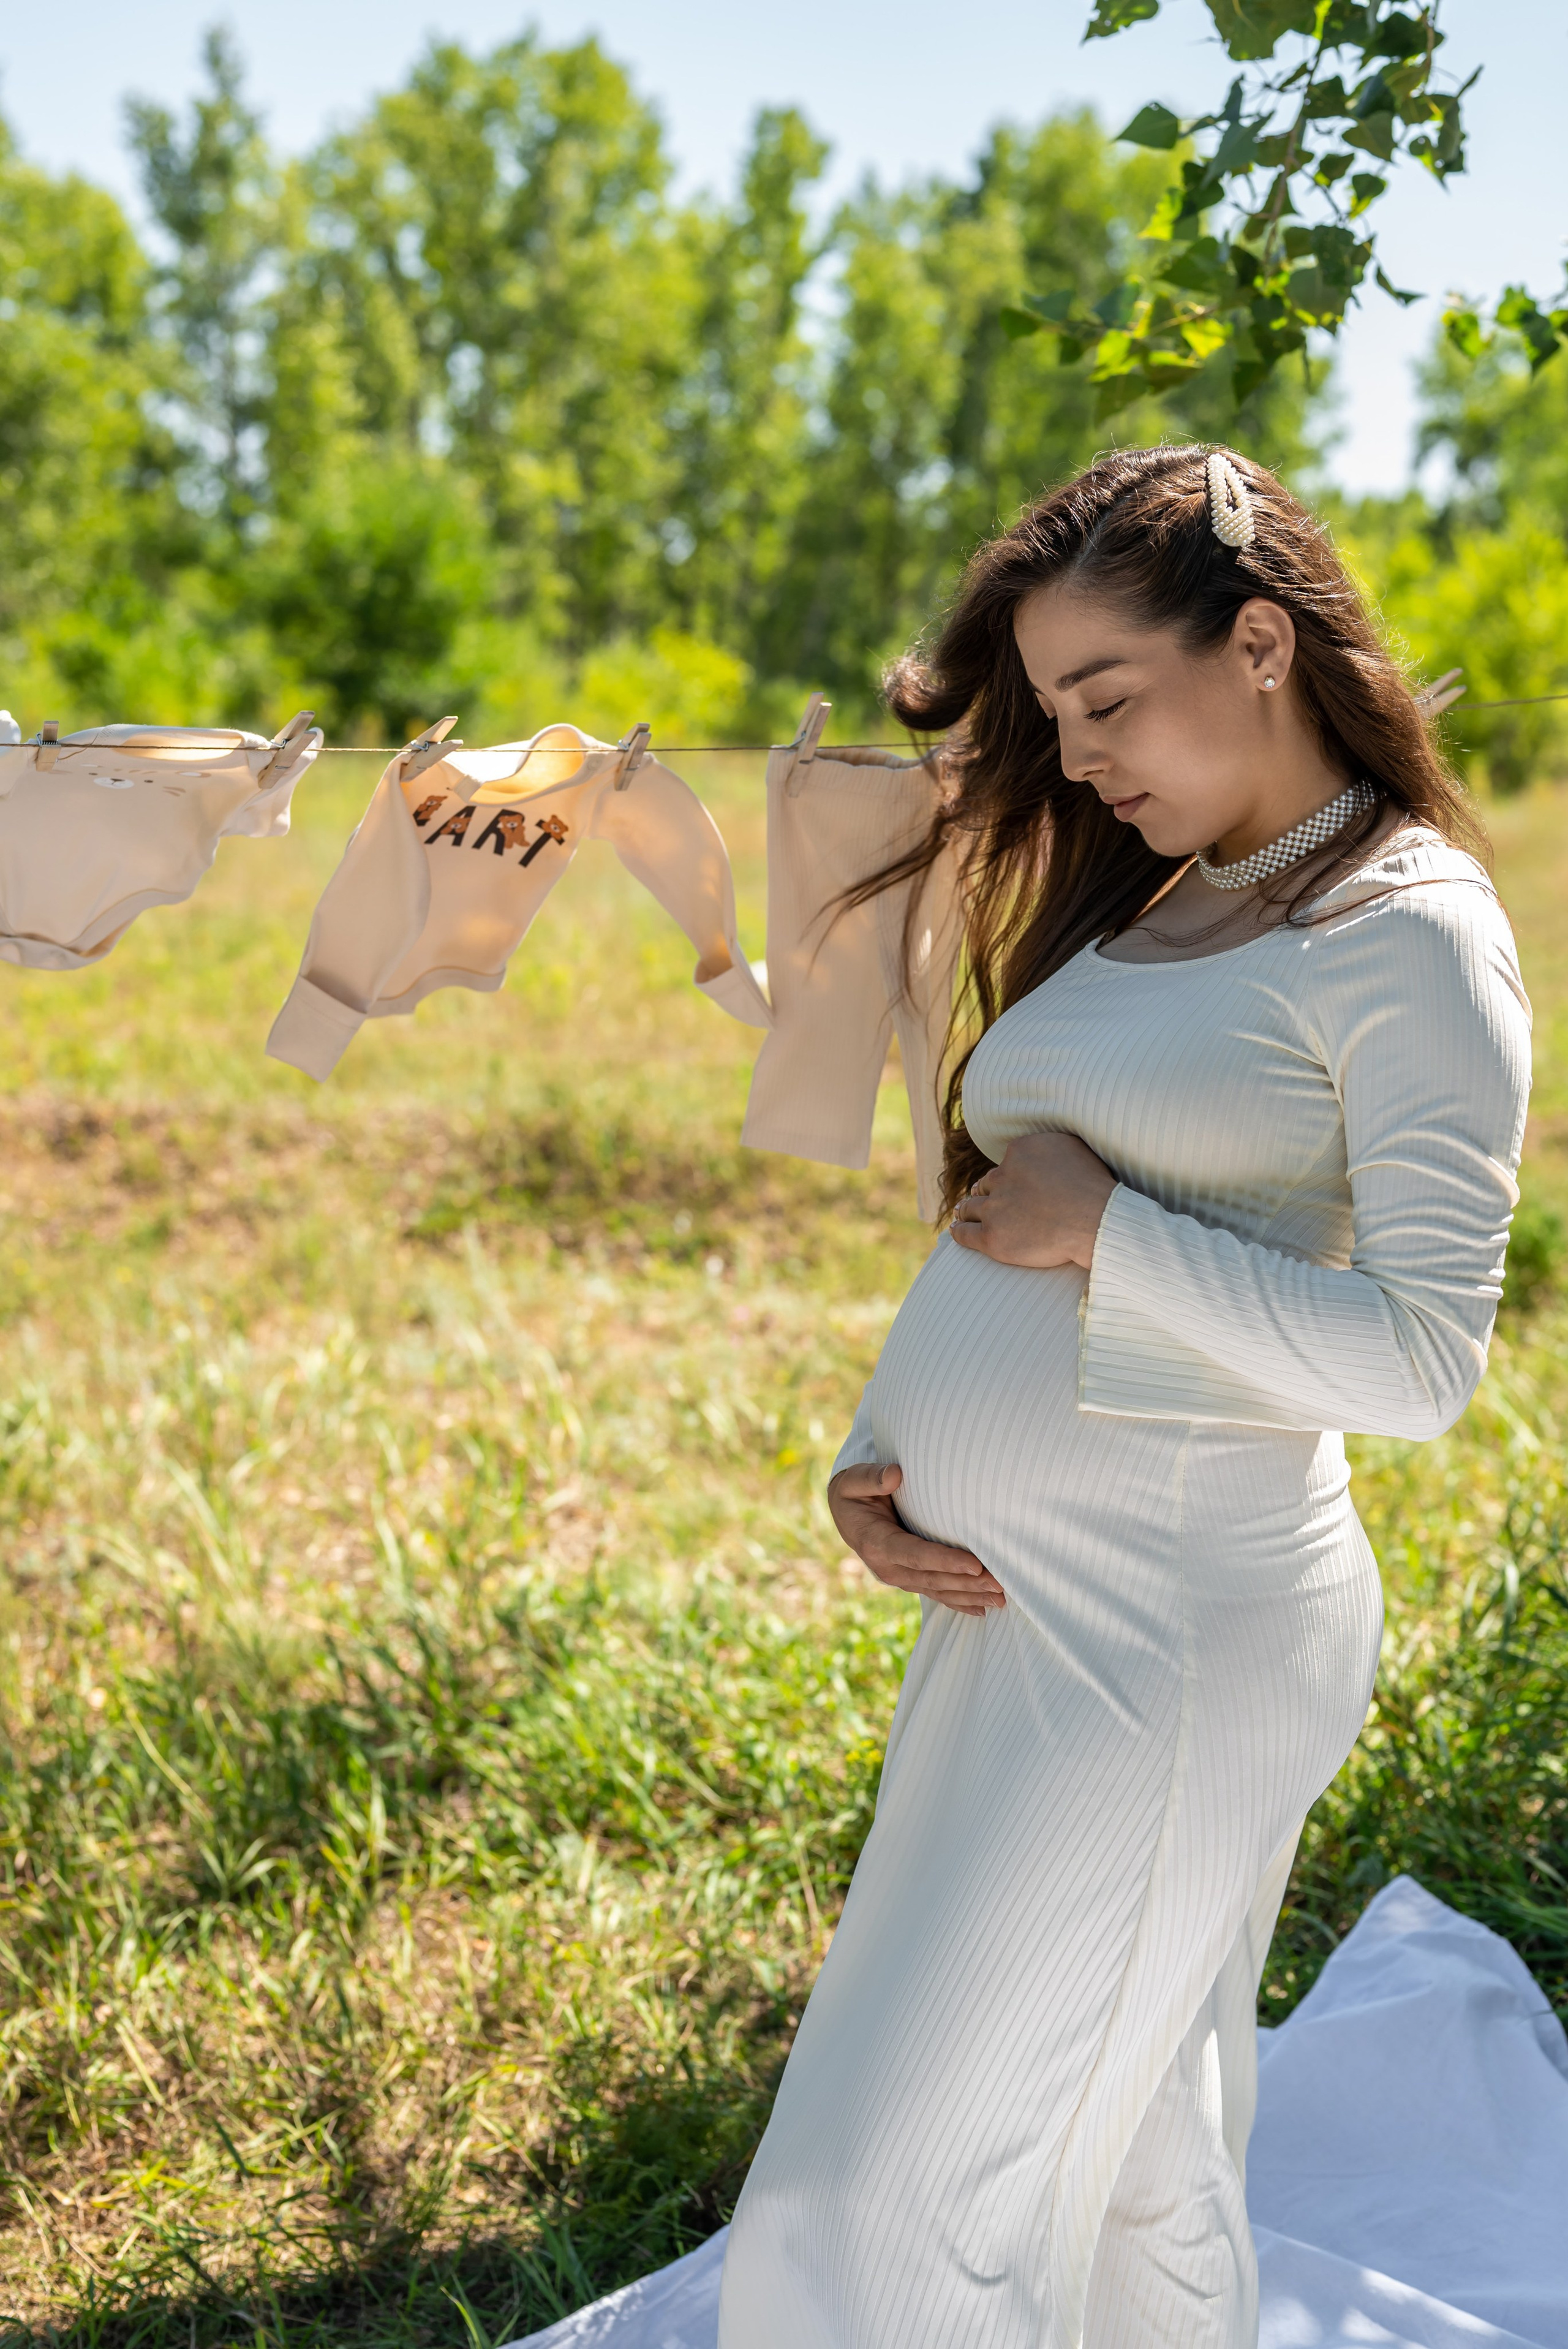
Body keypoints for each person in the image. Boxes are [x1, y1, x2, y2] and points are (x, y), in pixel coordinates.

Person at [715, 445, 1531, 2349]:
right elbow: (1007, 1211)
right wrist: (887, 1448)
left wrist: (1109, 1240)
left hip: (1177, 1641)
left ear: (1262, 642)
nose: (1075, 758)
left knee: (892, 2179)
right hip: (1028, 1618)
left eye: (1103, 701)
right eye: (1052, 715)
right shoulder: (1184, 890)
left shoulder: (1414, 933)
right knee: (1137, 2142)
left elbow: (1423, 1360)